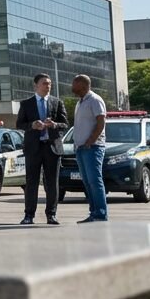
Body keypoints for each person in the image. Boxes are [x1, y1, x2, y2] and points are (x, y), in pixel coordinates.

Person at [16, 73, 69, 226]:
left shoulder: (57, 102)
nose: (48, 86)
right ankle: (29, 215)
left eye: (49, 83)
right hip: (33, 148)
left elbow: (65, 124)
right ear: (36, 85)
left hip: (52, 147)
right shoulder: (26, 104)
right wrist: (32, 125)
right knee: (31, 182)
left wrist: (54, 125)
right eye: (45, 83)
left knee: (52, 182)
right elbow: (20, 124)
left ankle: (51, 215)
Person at [69, 74, 108, 223]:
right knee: (87, 182)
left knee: (94, 181)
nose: (72, 87)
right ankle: (94, 213)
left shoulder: (95, 100)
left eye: (75, 84)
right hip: (80, 148)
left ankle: (100, 214)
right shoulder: (80, 102)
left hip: (93, 147)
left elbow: (101, 122)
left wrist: (90, 141)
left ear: (83, 85)